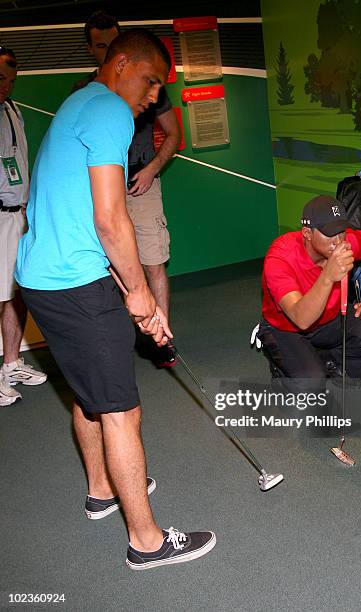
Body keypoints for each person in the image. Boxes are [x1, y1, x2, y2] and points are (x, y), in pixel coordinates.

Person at [16, 29, 215, 570]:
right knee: (122, 411)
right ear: (121, 62)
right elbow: (110, 218)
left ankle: (102, 489)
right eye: (151, 82)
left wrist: (129, 290)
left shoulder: (77, 101)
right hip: (75, 283)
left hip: (41, 276)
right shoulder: (108, 110)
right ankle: (147, 541)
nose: (154, 98)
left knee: (87, 394)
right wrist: (142, 297)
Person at [73, 12, 181, 367]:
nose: (151, 95)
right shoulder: (86, 94)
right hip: (106, 187)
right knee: (113, 268)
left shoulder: (147, 88)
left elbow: (174, 134)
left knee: (152, 264)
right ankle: (122, 340)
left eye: (111, 43)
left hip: (142, 183)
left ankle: (163, 339)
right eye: (99, 45)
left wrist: (152, 169)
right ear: (92, 49)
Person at [258, 195, 361, 383]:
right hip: (287, 328)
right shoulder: (280, 257)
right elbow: (301, 319)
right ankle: (286, 370)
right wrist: (327, 276)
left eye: (341, 231)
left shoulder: (347, 242)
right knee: (310, 382)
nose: (339, 240)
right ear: (307, 233)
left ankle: (331, 366)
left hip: (329, 318)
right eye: (330, 233)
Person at [0, 46, 46, 407]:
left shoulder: (12, 109)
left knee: (17, 293)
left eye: (12, 81)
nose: (6, 86)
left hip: (19, 213)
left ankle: (11, 363)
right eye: (1, 79)